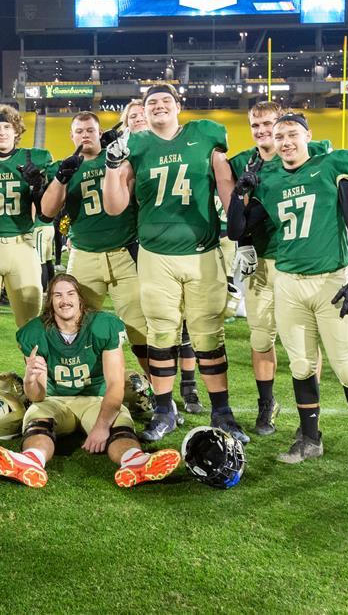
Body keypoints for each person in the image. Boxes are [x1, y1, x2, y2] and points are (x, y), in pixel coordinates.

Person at [228, 113, 348, 463]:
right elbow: (237, 230)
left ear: (308, 135)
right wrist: (241, 193)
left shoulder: (332, 165)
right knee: (300, 365)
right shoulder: (271, 179)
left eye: (292, 134)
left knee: (347, 366)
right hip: (288, 283)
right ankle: (310, 440)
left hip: (331, 280)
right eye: (279, 136)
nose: (285, 142)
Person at [105, 84, 244, 443]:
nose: (159, 107)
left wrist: (242, 234)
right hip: (155, 254)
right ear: (145, 111)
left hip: (202, 251)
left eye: (166, 101)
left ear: (178, 106)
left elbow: (225, 182)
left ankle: (222, 411)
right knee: (161, 334)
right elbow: (115, 206)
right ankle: (165, 410)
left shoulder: (204, 134)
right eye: (152, 103)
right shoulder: (135, 145)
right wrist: (111, 166)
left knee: (208, 334)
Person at [0, 273, 181, 488]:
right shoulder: (35, 332)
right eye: (57, 295)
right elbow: (36, 396)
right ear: (51, 302)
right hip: (54, 400)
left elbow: (115, 383)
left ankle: (136, 462)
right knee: (38, 422)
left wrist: (102, 427)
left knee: (118, 428)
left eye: (70, 294)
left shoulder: (102, 325)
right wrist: (30, 379)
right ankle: (31, 460)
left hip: (96, 398)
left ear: (79, 298)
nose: (64, 300)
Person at [40, 111, 150, 380]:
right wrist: (61, 179)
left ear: (99, 133)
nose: (85, 135)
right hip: (84, 254)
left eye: (90, 130)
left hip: (124, 251)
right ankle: (80, 382)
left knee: (140, 328)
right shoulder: (64, 167)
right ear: (71, 135)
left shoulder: (118, 158)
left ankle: (159, 391)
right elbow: (46, 212)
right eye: (79, 131)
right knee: (75, 324)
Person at [0, 103, 53, 403]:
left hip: (22, 243)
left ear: (17, 131)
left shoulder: (37, 159)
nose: (1, 132)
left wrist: (39, 186)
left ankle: (38, 384)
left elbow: (51, 203)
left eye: (7, 127)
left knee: (31, 325)